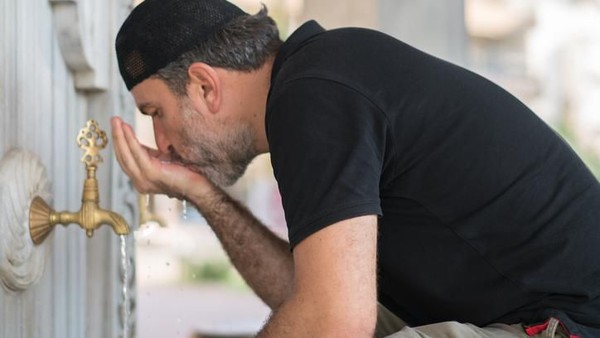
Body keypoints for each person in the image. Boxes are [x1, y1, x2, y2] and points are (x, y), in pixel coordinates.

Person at [111, 0, 600, 337]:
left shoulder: (314, 95)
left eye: (156, 113)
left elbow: (333, 324)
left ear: (203, 86)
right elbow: (310, 300)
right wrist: (202, 193)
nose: (162, 144)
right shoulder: (314, 83)